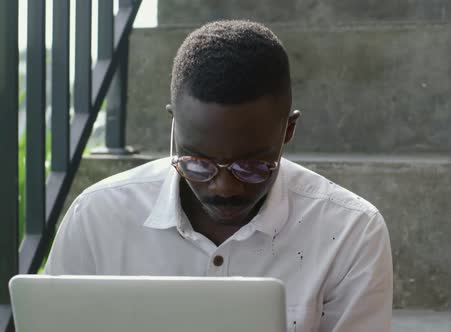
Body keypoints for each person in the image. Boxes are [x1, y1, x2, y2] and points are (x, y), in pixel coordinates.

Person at [45, 20, 393, 331]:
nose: (224, 187)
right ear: (174, 126)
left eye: (252, 167)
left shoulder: (350, 231)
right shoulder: (97, 218)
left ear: (288, 130)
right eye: (198, 162)